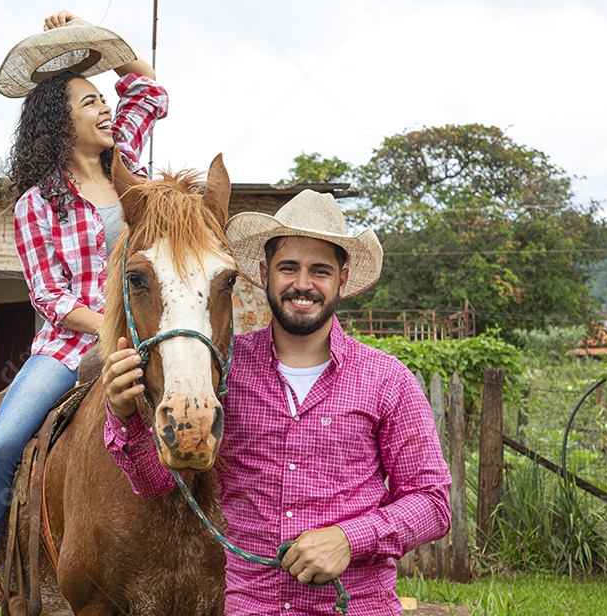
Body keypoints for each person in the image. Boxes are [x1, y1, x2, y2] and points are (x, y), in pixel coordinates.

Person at [102, 189, 451, 615]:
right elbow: (159, 485)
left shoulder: (388, 380)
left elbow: (432, 502)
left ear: (342, 279)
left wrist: (350, 538)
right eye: (289, 268)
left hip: (355, 606)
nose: (302, 284)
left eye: (319, 270)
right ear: (265, 274)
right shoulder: (222, 375)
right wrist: (123, 417)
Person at [0, 10, 167, 616]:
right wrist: (114, 326)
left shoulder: (130, 162)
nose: (107, 109)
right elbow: (51, 299)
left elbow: (149, 87)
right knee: (3, 441)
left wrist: (89, 36)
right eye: (90, 102)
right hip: (71, 349)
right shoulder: (39, 204)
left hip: (155, 336)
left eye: (103, 102)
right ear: (62, 124)